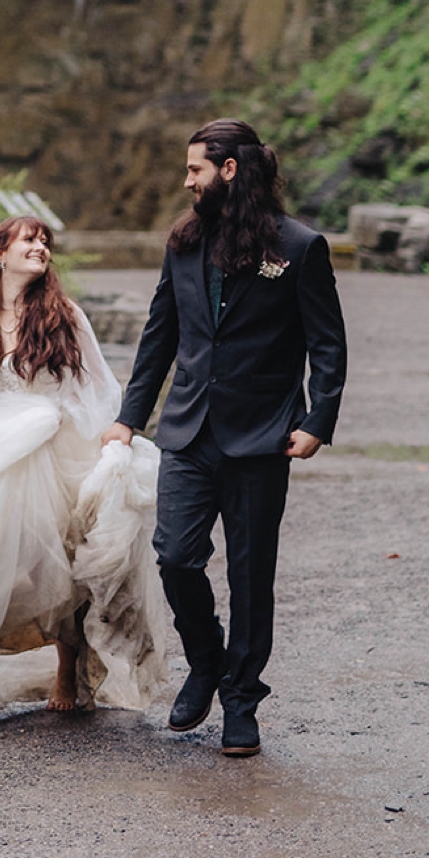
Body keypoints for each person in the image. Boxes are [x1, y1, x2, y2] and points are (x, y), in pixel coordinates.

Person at [102, 118, 347, 759]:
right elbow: (159, 335)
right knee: (175, 555)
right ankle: (206, 662)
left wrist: (317, 421)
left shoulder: (298, 246)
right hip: (187, 429)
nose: (187, 181)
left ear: (229, 170)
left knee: (250, 575)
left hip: (263, 436)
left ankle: (242, 703)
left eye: (195, 170)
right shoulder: (182, 243)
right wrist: (129, 418)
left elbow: (327, 343)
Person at [0, 216, 167, 741]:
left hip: (44, 452)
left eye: (46, 241)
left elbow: (97, 390)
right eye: (29, 239)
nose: (40, 246)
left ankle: (68, 669)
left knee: (57, 569)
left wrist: (105, 442)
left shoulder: (65, 316)